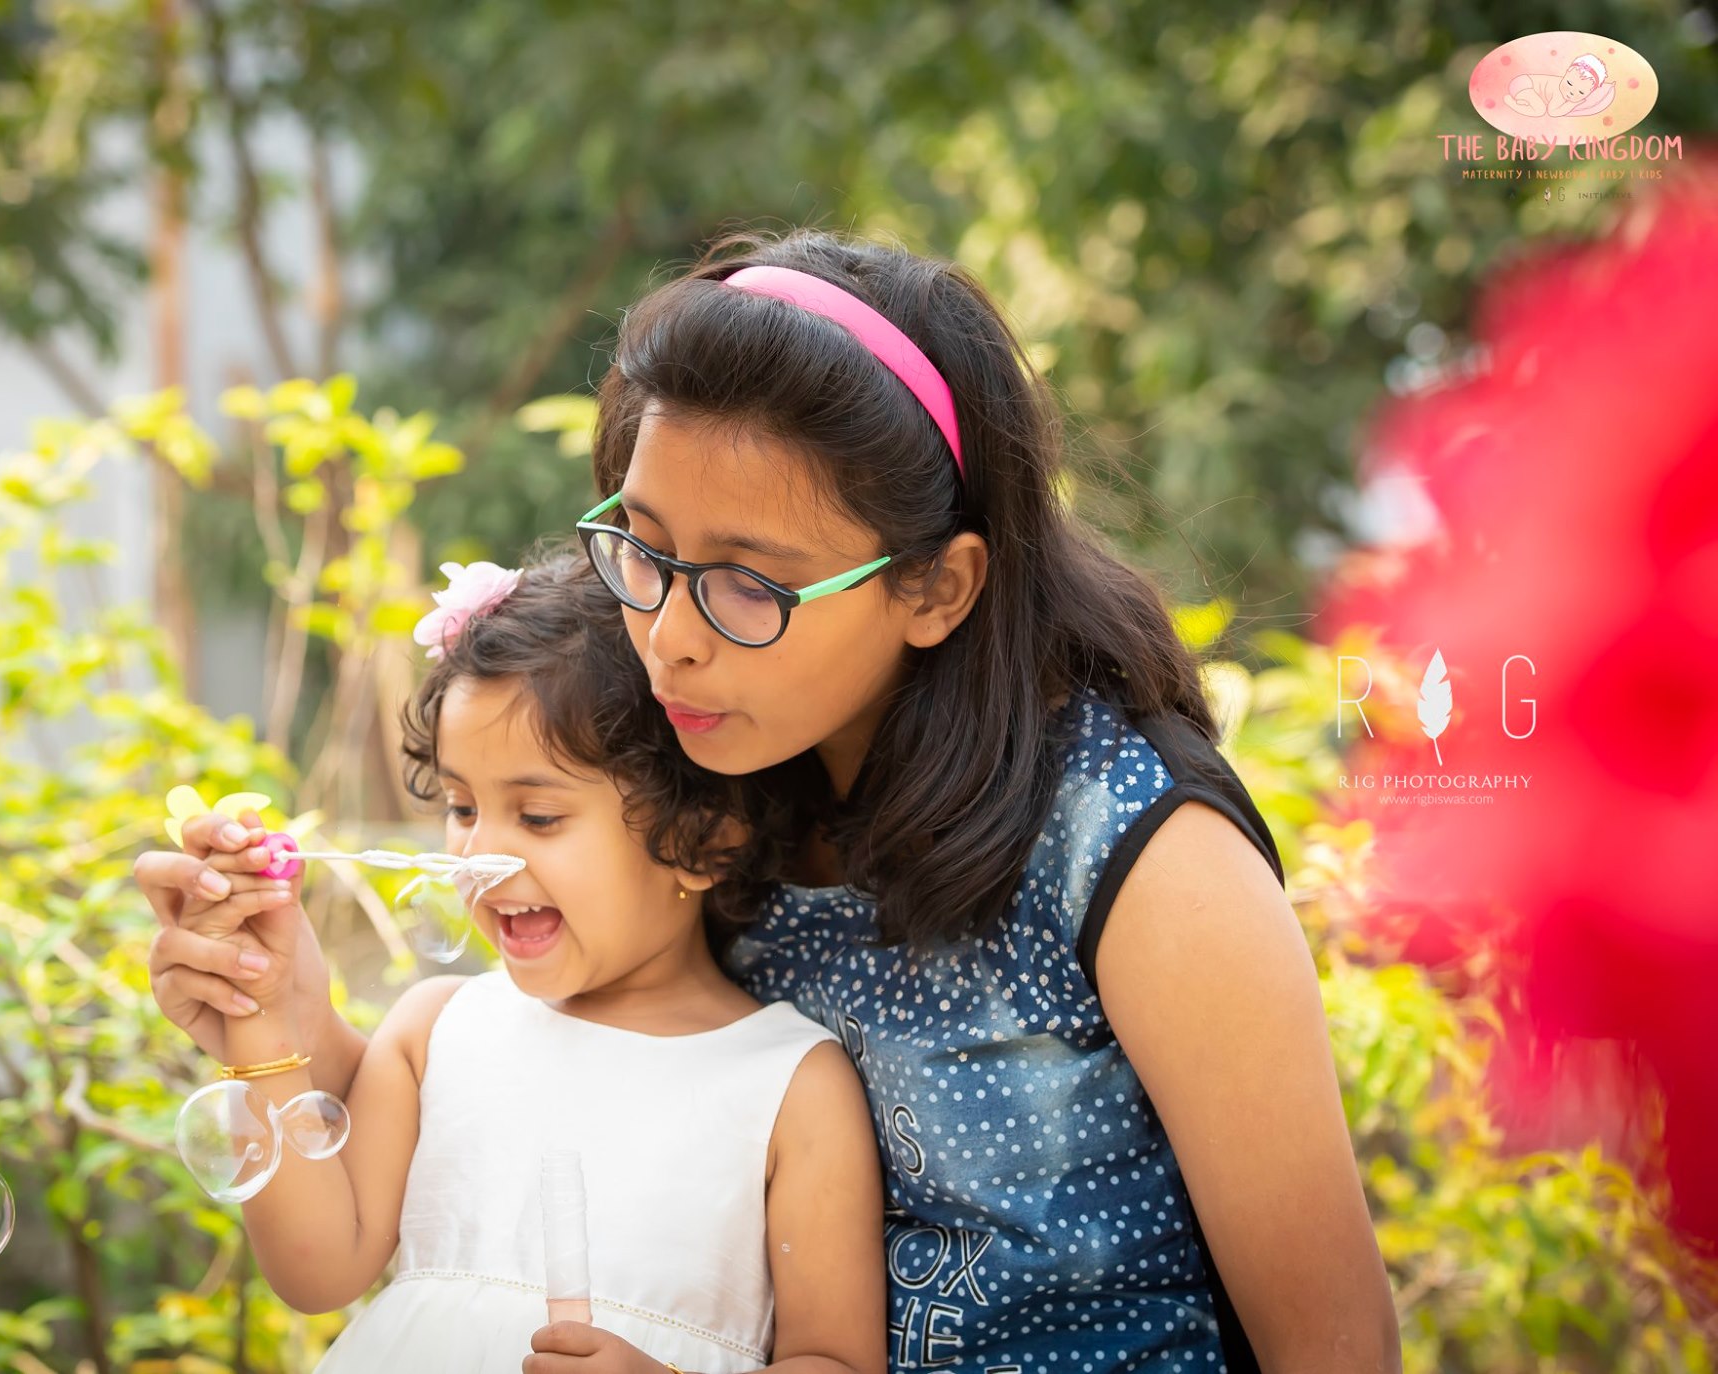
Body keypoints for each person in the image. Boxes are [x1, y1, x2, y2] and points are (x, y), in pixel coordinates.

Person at [144, 228, 1401, 1372]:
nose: (668, 639)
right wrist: (285, 1011)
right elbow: (525, 1136)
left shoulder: (1131, 848)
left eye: (749, 584)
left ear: (934, 590)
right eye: (642, 545)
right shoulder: (711, 767)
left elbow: (1333, 1355)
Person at [141, 552, 884, 1374]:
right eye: (461, 807)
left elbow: (837, 1359)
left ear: (701, 838)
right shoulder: (436, 1031)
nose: (479, 856)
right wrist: (258, 1004)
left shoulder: (790, 1084)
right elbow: (318, 1270)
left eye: (536, 815)